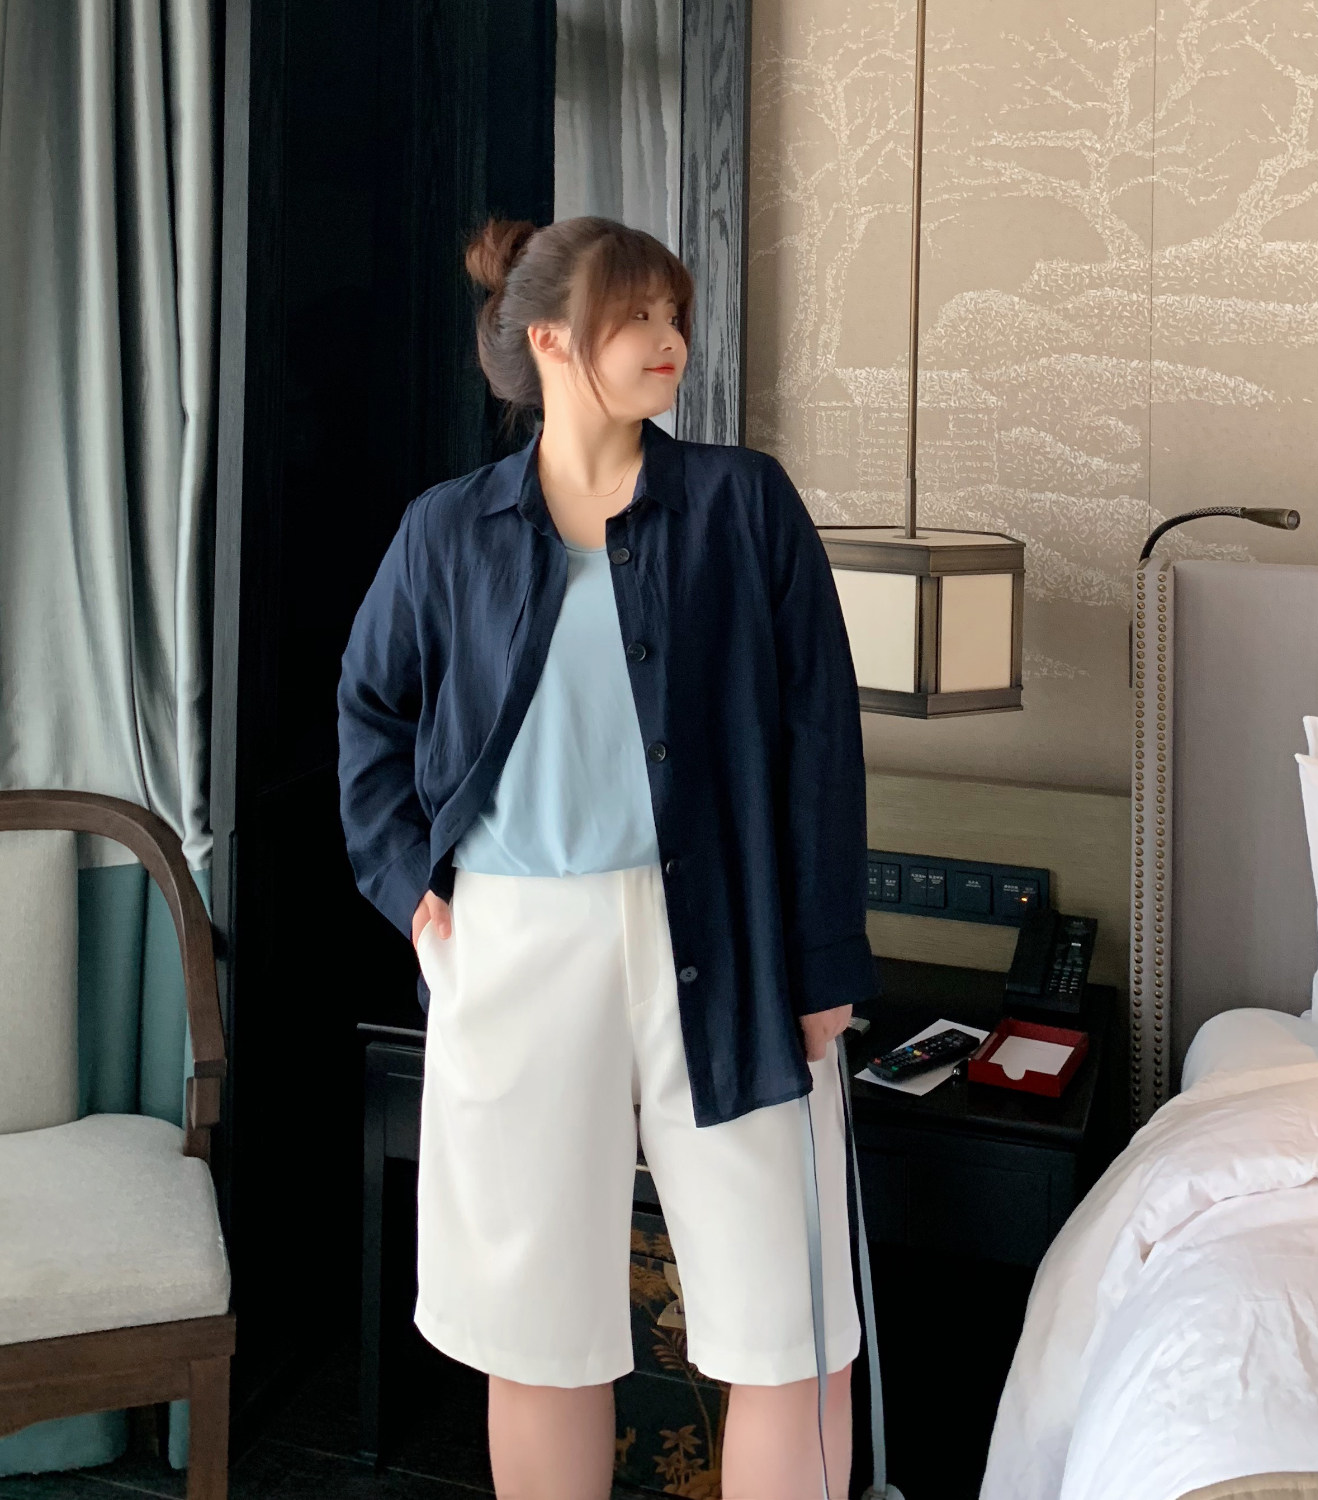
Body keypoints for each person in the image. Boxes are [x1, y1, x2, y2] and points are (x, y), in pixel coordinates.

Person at [336, 214, 879, 1500]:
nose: (669, 338)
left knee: (794, 1321)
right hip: (515, 944)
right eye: (636, 315)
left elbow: (821, 737)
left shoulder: (743, 505)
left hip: (729, 938)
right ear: (549, 339)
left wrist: (824, 958)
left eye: (673, 313)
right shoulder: (447, 530)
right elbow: (369, 717)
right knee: (537, 1331)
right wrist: (416, 898)